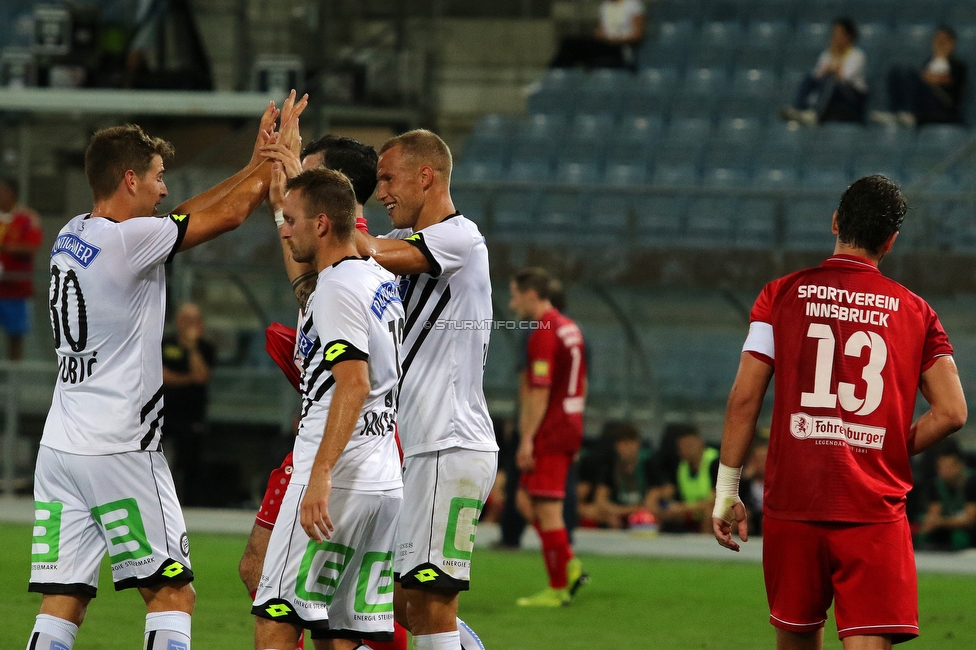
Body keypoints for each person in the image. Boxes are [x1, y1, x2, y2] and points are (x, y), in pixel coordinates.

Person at [25, 90, 292, 650]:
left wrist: (250, 164)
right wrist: (267, 165)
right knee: (173, 596)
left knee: (63, 599)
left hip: (61, 446)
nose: (164, 187)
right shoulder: (130, 240)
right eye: (157, 175)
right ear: (128, 179)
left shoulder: (73, 234)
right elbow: (230, 213)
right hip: (121, 446)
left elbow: (184, 214)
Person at [712, 174, 968, 650]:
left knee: (796, 637)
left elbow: (743, 399)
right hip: (872, 507)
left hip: (795, 502)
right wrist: (887, 448)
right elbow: (952, 412)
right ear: (890, 242)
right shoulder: (917, 313)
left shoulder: (779, 296)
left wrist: (727, 489)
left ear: (834, 222)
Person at [241, 132, 410, 650]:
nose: (283, 230)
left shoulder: (336, 288)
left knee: (277, 609)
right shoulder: (375, 278)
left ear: (322, 221)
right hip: (381, 480)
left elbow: (353, 384)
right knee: (344, 629)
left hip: (336, 469)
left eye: (290, 220)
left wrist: (319, 474)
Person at [355, 129, 497, 650]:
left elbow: (366, 248)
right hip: (419, 447)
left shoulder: (460, 238)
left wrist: (319, 205)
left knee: (430, 601)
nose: (381, 190)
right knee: (393, 600)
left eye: (388, 178)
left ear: (426, 175)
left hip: (450, 443)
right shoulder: (410, 254)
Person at [508, 267, 588, 607]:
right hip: (568, 422)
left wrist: (527, 438)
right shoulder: (570, 328)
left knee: (547, 509)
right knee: (526, 500)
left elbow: (539, 391)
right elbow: (581, 381)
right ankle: (568, 565)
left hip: (551, 428)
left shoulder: (544, 331)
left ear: (530, 294)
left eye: (514, 295)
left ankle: (558, 587)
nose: (511, 305)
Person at [161, 302, 216, 505]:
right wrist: (188, 379)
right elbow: (161, 376)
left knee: (190, 464)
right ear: (178, 322)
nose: (189, 325)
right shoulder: (165, 344)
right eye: (186, 320)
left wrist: (192, 349)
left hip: (192, 415)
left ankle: (190, 506)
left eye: (194, 321)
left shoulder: (205, 348)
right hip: (164, 414)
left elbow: (202, 376)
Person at [872, 26, 968, 128]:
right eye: (937, 40)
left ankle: (909, 114)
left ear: (952, 43)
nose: (940, 43)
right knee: (898, 72)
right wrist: (927, 77)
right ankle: (898, 113)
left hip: (943, 107)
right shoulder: (928, 63)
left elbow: (948, 81)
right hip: (923, 104)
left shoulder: (958, 65)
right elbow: (923, 78)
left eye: (943, 40)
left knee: (912, 76)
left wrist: (929, 77)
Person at [782, 17, 867, 126]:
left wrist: (832, 68)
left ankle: (816, 114)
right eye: (833, 34)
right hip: (830, 94)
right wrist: (830, 68)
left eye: (839, 34)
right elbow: (816, 75)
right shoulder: (828, 54)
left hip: (850, 97)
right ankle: (799, 109)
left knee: (831, 80)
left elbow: (845, 77)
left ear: (848, 36)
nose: (835, 37)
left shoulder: (857, 55)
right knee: (809, 77)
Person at [646, 425, 719, 534]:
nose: (685, 450)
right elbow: (668, 490)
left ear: (701, 444)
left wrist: (682, 508)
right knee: (659, 509)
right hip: (690, 511)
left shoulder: (715, 462)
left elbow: (715, 501)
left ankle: (705, 548)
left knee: (711, 513)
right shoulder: (680, 466)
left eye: (689, 445)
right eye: (682, 447)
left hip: (709, 510)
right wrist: (656, 497)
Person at [0, 177, 43, 360]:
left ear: (13, 194)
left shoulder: (27, 218)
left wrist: (8, 248)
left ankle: (14, 384)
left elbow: (32, 246)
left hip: (16, 291)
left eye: (3, 191)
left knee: (15, 338)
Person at [549, 0, 645, 70]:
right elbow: (601, 30)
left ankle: (552, 76)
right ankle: (555, 77)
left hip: (621, 47)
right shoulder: (605, 5)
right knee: (569, 44)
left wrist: (615, 39)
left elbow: (637, 35)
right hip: (605, 43)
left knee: (570, 45)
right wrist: (599, 35)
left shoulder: (633, 4)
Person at [916, 440, 976, 550]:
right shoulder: (936, 485)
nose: (945, 471)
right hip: (945, 527)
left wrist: (940, 522)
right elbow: (934, 514)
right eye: (941, 467)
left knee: (959, 537)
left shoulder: (971, 482)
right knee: (924, 536)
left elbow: (970, 520)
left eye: (950, 467)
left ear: (960, 465)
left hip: (967, 530)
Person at [589, 422, 650, 530]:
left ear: (638, 444)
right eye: (624, 444)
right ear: (617, 446)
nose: (628, 448)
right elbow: (600, 500)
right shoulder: (609, 466)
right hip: (618, 512)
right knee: (597, 513)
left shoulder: (648, 464)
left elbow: (652, 500)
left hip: (644, 513)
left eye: (631, 443)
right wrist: (620, 511)